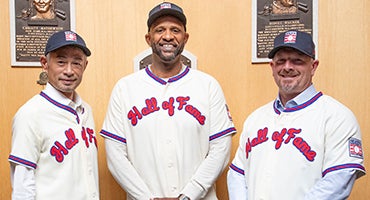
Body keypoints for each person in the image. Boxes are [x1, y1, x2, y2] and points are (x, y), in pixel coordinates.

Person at [100, 2, 236, 200]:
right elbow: (115, 156)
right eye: (159, 30)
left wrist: (188, 195)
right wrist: (148, 198)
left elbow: (221, 150)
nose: (168, 36)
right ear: (148, 38)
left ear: (185, 38)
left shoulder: (208, 85)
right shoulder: (124, 88)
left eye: (175, 30)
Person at [227, 30, 366, 200]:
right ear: (272, 67)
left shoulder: (338, 117)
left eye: (297, 60)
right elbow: (237, 173)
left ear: (313, 66)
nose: (287, 67)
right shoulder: (255, 119)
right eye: (281, 61)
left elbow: (338, 180)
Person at [8, 30, 99, 200]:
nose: (69, 71)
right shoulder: (30, 114)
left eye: (77, 63)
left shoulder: (86, 111)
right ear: (45, 63)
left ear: (85, 66)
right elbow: (22, 187)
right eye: (61, 61)